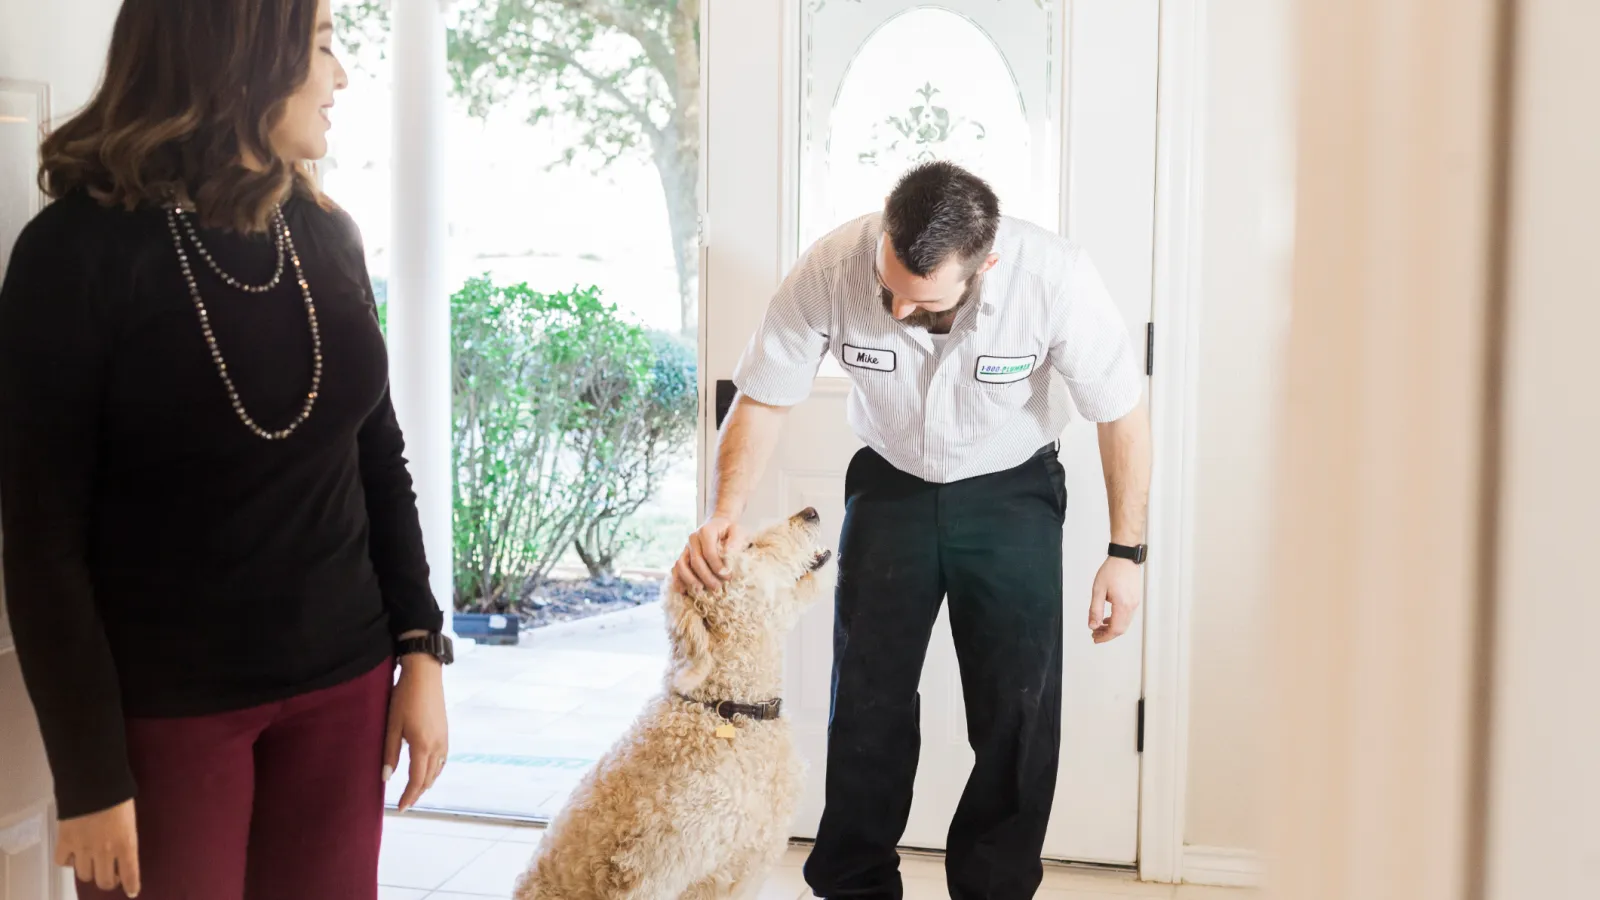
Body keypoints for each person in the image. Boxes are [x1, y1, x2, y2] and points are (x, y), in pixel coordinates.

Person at [0, 1, 455, 897]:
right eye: (323, 45)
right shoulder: (75, 254)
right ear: (244, 52)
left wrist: (421, 649)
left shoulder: (325, 233)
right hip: (169, 714)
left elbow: (378, 458)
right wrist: (89, 776)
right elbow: (42, 537)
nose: (342, 76)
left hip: (345, 685)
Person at [673, 161, 1152, 900]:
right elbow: (764, 396)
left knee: (1016, 710)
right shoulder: (833, 267)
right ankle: (855, 885)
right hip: (891, 484)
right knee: (867, 701)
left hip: (1011, 493)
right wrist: (724, 513)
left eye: (919, 299)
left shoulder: (1054, 279)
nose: (894, 308)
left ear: (984, 265)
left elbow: (1121, 408)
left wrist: (1126, 553)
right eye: (887, 284)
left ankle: (992, 888)